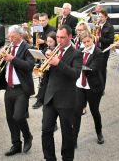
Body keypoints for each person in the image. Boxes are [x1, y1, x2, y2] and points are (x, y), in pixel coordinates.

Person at [41, 25, 81, 161]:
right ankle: (49, 158)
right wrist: (44, 65)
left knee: (67, 133)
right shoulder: (53, 50)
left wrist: (58, 62)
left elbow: (75, 74)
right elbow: (49, 75)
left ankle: (67, 158)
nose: (59, 40)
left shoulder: (76, 54)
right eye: (57, 37)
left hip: (66, 98)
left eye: (62, 37)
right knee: (46, 130)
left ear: (70, 37)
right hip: (50, 97)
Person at [0, 25, 35, 156]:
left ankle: (27, 136)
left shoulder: (28, 48)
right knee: (10, 118)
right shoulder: (9, 47)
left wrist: (13, 59)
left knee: (18, 116)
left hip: (22, 88)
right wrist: (0, 58)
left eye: (12, 36)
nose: (10, 38)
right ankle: (16, 144)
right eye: (9, 36)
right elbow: (3, 66)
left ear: (20, 36)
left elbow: (29, 66)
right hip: (9, 87)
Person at [73, 32, 105, 147]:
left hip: (93, 86)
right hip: (80, 86)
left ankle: (99, 133)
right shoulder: (80, 52)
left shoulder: (98, 53)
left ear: (93, 40)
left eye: (88, 41)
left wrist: (78, 66)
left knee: (94, 111)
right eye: (84, 42)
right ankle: (74, 138)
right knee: (76, 112)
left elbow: (93, 69)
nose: (87, 44)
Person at [33, 32, 57, 109]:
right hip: (45, 70)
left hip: (52, 71)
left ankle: (46, 100)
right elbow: (41, 56)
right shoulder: (46, 48)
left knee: (48, 86)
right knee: (42, 84)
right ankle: (39, 100)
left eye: (51, 42)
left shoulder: (57, 49)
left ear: (55, 41)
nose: (49, 43)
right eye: (48, 41)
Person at [95, 10, 114, 91]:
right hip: (96, 49)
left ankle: (102, 88)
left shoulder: (109, 27)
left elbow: (110, 40)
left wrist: (100, 39)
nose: (100, 18)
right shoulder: (97, 25)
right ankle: (96, 85)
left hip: (104, 50)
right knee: (95, 68)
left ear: (106, 17)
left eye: (102, 17)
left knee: (102, 69)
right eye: (99, 16)